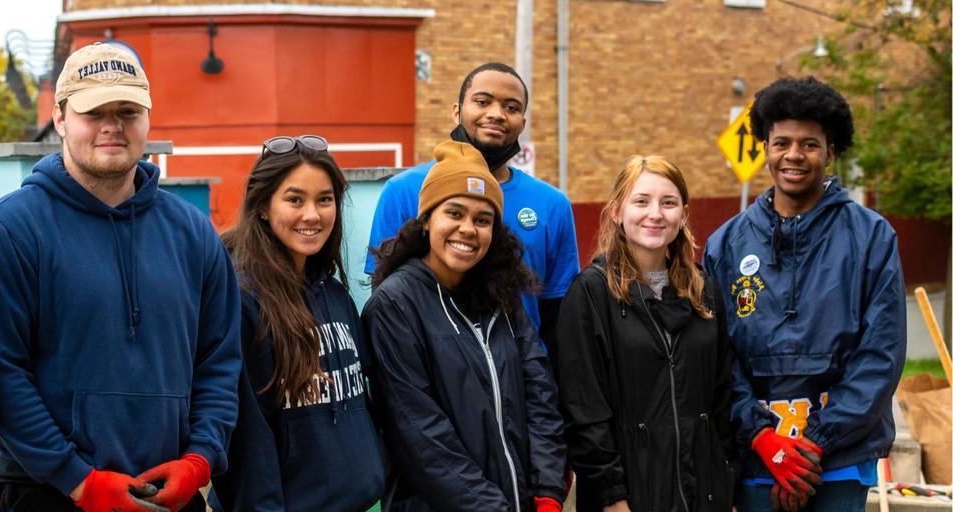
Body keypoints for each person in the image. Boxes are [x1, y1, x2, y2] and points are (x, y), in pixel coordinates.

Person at [0, 40, 242, 512]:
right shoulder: (9, 231)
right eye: (94, 112)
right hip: (48, 494)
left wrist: (200, 460)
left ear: (148, 119)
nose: (112, 126)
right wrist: (78, 480)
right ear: (59, 118)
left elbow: (219, 361)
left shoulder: (194, 234)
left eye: (127, 111)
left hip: (170, 495)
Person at [704, 76, 905, 512]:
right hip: (756, 458)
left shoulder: (872, 237)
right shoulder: (725, 244)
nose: (793, 155)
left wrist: (813, 444)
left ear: (831, 151)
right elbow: (715, 355)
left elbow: (881, 354)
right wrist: (763, 439)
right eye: (781, 143)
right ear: (765, 147)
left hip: (838, 460)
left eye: (809, 144)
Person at [362, 140, 567, 512]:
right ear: (426, 220)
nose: (468, 229)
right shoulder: (395, 306)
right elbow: (421, 436)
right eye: (454, 213)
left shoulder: (500, 297)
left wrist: (548, 491)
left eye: (482, 219)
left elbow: (540, 395)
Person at [210, 135, 386, 511]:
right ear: (262, 206)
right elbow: (245, 442)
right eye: (294, 199)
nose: (312, 215)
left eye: (324, 199)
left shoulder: (335, 295)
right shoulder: (242, 302)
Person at [556, 155, 736, 512]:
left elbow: (723, 399)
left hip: (703, 493)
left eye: (668, 203)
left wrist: (727, 486)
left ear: (683, 215)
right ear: (616, 212)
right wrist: (612, 498)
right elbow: (583, 410)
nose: (655, 213)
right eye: (641, 201)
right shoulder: (591, 293)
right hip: (628, 498)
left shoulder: (705, 292)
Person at [365, 62, 579, 352]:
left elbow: (559, 318)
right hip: (431, 377)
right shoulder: (403, 191)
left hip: (524, 380)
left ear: (523, 123)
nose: (496, 114)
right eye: (482, 101)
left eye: (511, 107)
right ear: (457, 110)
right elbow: (385, 300)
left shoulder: (553, 205)